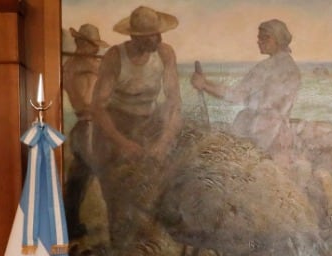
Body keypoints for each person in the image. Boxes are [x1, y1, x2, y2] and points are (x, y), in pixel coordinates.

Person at [191, 19, 301, 162]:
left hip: (260, 133)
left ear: (275, 39)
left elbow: (236, 95)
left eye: (263, 38)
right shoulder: (291, 66)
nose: (258, 42)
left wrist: (204, 85)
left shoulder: (267, 67)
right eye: (259, 38)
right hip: (280, 133)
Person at [89, 5, 182, 169]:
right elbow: (98, 107)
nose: (158, 39)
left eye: (157, 33)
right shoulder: (115, 57)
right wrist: (123, 143)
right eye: (150, 36)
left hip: (149, 122)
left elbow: (174, 101)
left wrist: (164, 142)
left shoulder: (165, 53)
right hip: (116, 124)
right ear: (134, 36)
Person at [62, 22, 109, 239]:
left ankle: (71, 225)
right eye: (92, 45)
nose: (96, 50)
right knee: (102, 175)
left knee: (78, 180)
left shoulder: (79, 65)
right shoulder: (77, 65)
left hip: (86, 127)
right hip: (89, 126)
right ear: (81, 43)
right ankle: (72, 226)